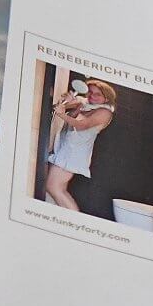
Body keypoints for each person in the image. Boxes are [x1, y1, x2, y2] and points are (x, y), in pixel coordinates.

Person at [43, 78, 116, 211]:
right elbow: (57, 108)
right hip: (65, 148)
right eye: (90, 92)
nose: (92, 96)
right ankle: (65, 218)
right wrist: (65, 101)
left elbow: (82, 125)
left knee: (53, 187)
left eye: (97, 94)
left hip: (74, 154)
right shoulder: (84, 103)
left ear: (106, 98)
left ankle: (74, 218)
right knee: (59, 189)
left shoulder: (105, 112)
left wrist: (62, 114)